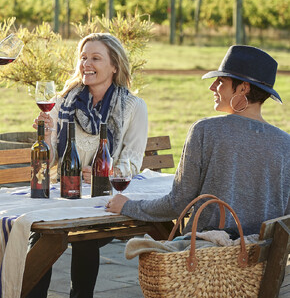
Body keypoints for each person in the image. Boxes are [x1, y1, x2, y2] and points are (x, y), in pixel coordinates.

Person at [107, 45, 290, 238]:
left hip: (207, 258)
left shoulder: (205, 130)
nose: (212, 87)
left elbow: (178, 204)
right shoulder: (286, 143)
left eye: (221, 81)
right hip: (262, 260)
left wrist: (127, 205)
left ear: (243, 88)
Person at [28, 33, 148, 298]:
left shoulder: (132, 107)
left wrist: (103, 176)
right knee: (41, 236)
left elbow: (132, 163)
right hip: (65, 197)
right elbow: (48, 165)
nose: (86, 64)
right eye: (83, 58)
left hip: (102, 200)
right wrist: (46, 136)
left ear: (114, 66)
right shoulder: (63, 102)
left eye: (95, 58)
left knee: (85, 236)